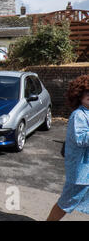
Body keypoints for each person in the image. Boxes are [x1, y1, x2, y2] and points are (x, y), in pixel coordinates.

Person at [47, 75, 89, 220]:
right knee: (65, 203)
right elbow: (81, 139)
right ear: (79, 96)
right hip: (81, 173)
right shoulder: (79, 115)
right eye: (87, 93)